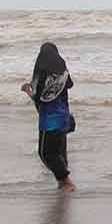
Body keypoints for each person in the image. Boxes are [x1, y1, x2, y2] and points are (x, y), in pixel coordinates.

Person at [21, 42, 76, 192]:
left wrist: (27, 90)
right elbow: (70, 85)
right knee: (59, 152)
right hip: (64, 118)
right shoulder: (62, 73)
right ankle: (62, 183)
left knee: (45, 153)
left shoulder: (44, 73)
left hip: (50, 121)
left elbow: (40, 98)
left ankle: (66, 182)